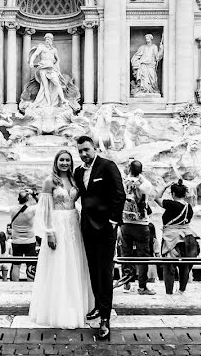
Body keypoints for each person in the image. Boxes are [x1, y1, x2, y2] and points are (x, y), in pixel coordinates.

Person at [29, 149, 95, 329]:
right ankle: (57, 309)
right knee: (57, 264)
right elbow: (44, 209)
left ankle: (75, 306)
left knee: (73, 263)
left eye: (67, 160)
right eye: (61, 160)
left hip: (73, 224)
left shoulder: (75, 179)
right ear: (56, 162)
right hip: (57, 224)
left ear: (70, 163)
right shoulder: (50, 181)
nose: (64, 163)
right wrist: (49, 232)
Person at [73, 135, 126, 341]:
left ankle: (105, 318)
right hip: (86, 227)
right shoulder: (78, 171)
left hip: (105, 228)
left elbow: (119, 194)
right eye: (80, 151)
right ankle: (97, 305)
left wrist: (113, 221)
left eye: (86, 149)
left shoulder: (107, 165)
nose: (84, 154)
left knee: (104, 272)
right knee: (93, 269)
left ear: (94, 148)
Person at [153, 179, 200, 294]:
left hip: (172, 239)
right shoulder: (189, 207)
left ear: (173, 194)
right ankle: (182, 290)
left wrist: (164, 186)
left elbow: (156, 198)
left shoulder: (171, 204)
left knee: (169, 267)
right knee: (185, 266)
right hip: (188, 237)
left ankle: (169, 292)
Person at [119, 160, 156, 295]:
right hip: (141, 224)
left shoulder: (124, 182)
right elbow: (147, 188)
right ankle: (142, 286)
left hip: (125, 222)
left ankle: (126, 283)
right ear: (141, 171)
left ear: (129, 169)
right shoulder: (145, 184)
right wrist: (139, 175)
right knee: (143, 256)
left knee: (125, 254)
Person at [9, 189, 38, 282]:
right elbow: (42, 204)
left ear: (18, 199)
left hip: (16, 240)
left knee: (16, 265)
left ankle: (15, 284)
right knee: (31, 265)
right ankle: (30, 283)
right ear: (27, 199)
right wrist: (33, 194)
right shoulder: (32, 210)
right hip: (30, 240)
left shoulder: (12, 210)